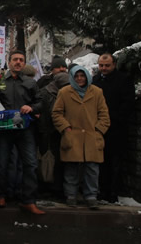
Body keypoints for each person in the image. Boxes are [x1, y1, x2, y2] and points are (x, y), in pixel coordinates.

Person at [0, 50, 45, 215]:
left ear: (24, 63)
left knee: (30, 164)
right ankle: (1, 195)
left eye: (21, 60)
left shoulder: (30, 83)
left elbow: (40, 102)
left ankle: (28, 200)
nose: (18, 62)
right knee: (2, 163)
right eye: (15, 59)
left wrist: (32, 108)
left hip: (25, 129)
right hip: (5, 129)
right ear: (9, 62)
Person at [52, 65, 110, 209]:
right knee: (71, 168)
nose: (79, 79)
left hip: (92, 136)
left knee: (92, 168)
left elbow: (104, 114)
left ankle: (91, 196)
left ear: (87, 76)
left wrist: (98, 130)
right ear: (72, 77)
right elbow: (56, 113)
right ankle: (70, 195)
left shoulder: (97, 92)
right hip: (72, 135)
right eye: (76, 76)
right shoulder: (64, 92)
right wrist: (66, 128)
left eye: (82, 76)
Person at [93, 53, 135, 203]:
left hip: (117, 128)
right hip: (98, 129)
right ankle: (102, 190)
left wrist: (114, 118)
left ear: (114, 65)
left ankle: (113, 192)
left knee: (115, 162)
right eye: (101, 65)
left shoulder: (124, 80)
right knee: (101, 161)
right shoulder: (95, 81)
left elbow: (128, 103)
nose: (103, 68)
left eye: (107, 65)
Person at [36, 72, 70, 198]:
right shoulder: (46, 93)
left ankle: (54, 187)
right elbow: (51, 112)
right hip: (47, 130)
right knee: (46, 159)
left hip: (58, 131)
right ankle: (45, 186)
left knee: (56, 161)